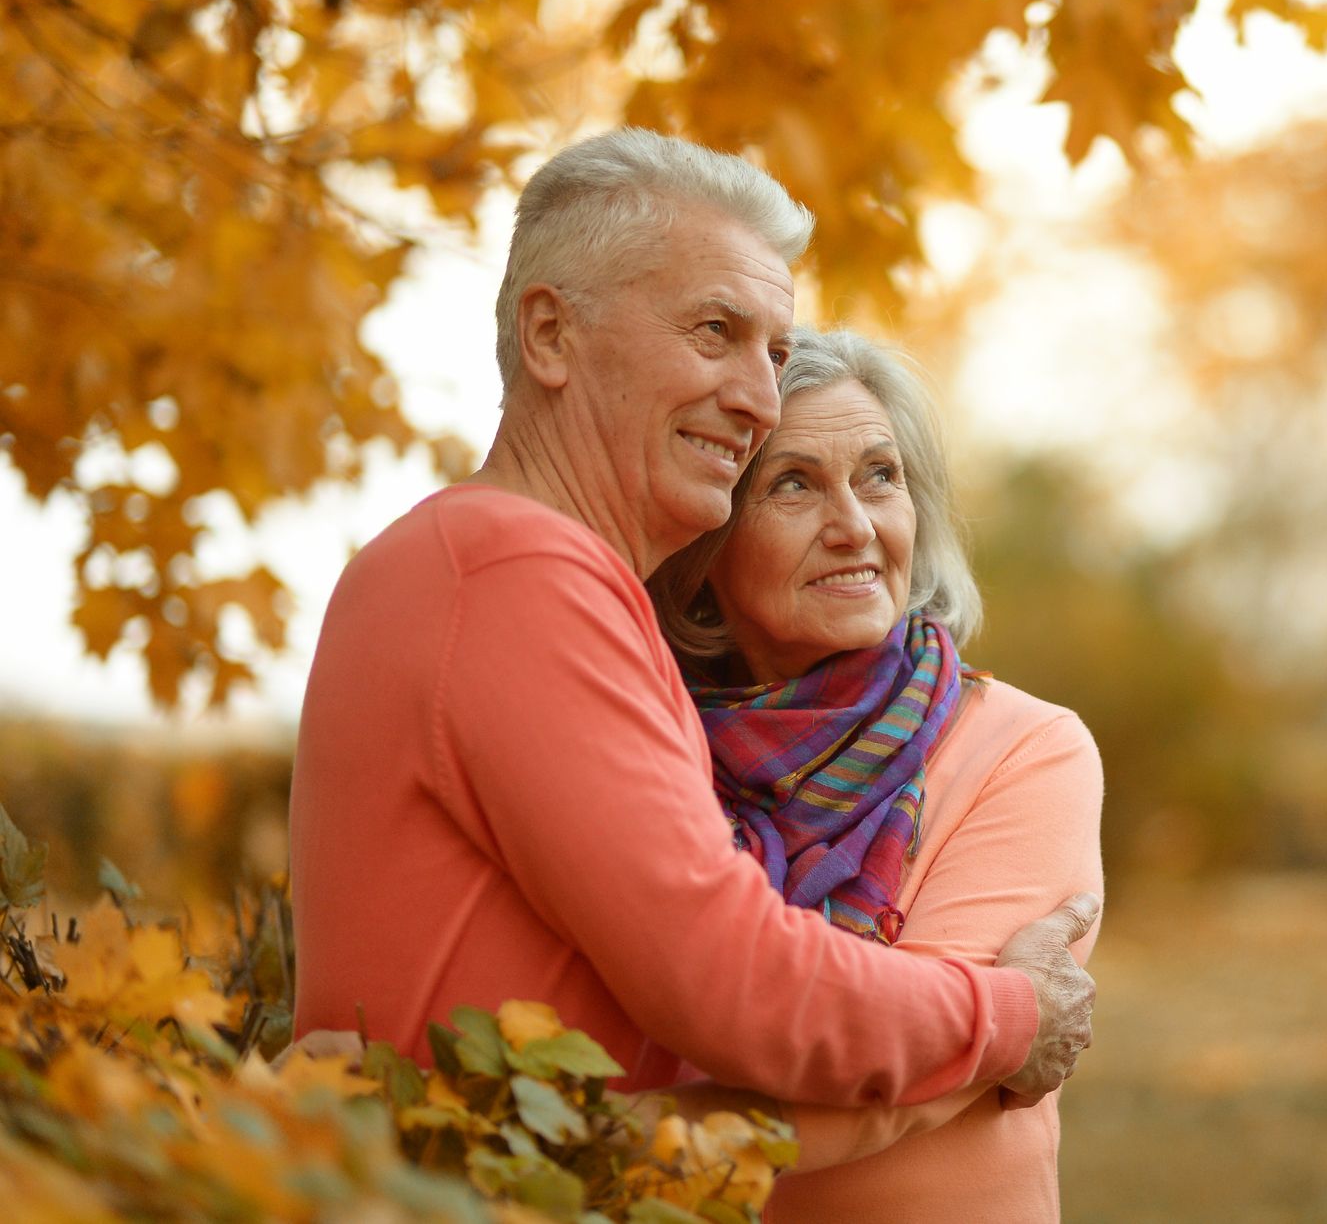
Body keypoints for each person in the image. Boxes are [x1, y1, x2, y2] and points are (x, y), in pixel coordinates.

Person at [289, 129, 1096, 1111]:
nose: (758, 398)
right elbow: (730, 978)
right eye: (714, 331)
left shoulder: (516, 572)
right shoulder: (512, 570)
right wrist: (1007, 1014)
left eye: (776, 350)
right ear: (550, 335)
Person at [647, 329, 1103, 1222]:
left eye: (880, 476)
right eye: (792, 483)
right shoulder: (645, 745)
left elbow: (918, 1072)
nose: (854, 524)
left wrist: (616, 1135)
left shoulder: (1026, 748)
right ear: (704, 551)